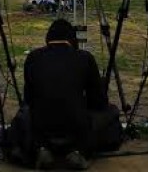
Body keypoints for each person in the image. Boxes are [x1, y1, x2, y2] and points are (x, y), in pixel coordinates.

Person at [20, 18, 111, 170]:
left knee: (25, 116)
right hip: (76, 128)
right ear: (72, 40)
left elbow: (28, 99)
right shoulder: (85, 58)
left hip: (42, 128)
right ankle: (79, 150)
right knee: (109, 113)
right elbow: (98, 102)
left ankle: (41, 149)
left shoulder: (33, 57)